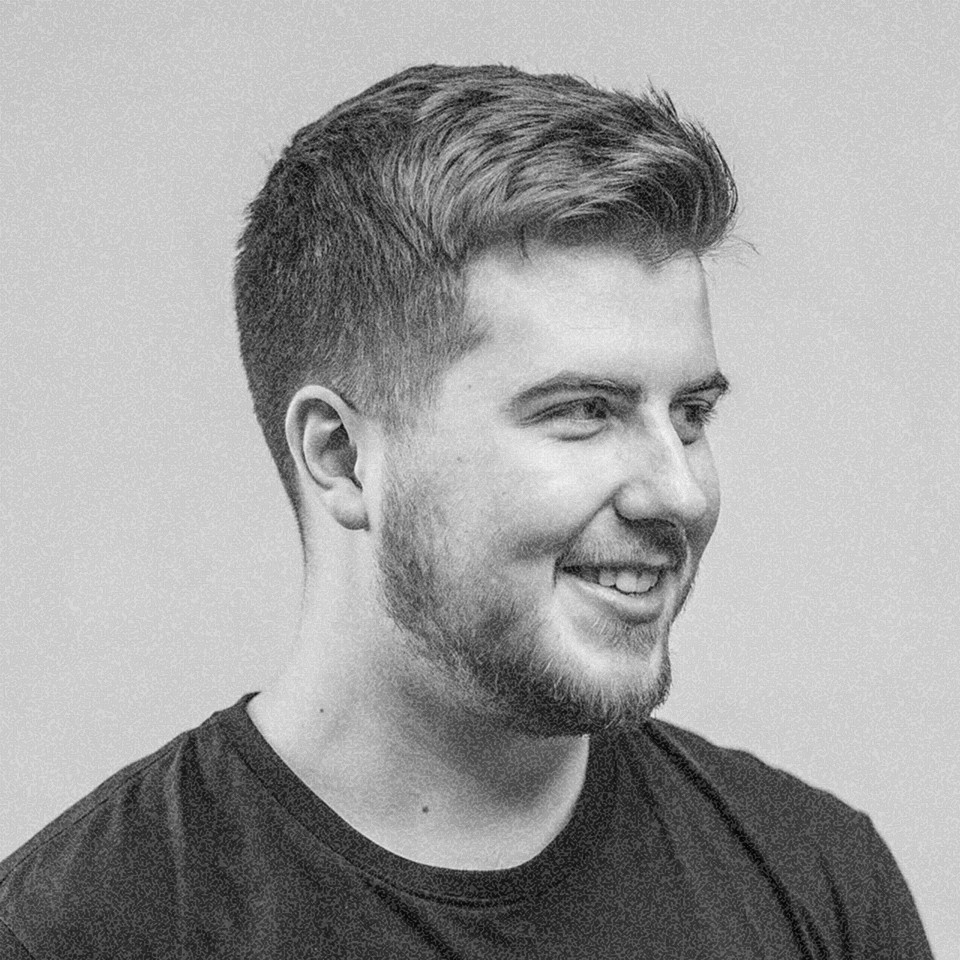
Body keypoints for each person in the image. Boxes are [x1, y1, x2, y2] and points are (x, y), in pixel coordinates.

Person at [0, 64, 932, 959]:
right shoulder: (76, 929)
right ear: (341, 455)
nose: (679, 493)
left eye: (690, 414)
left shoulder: (817, 883)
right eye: (582, 412)